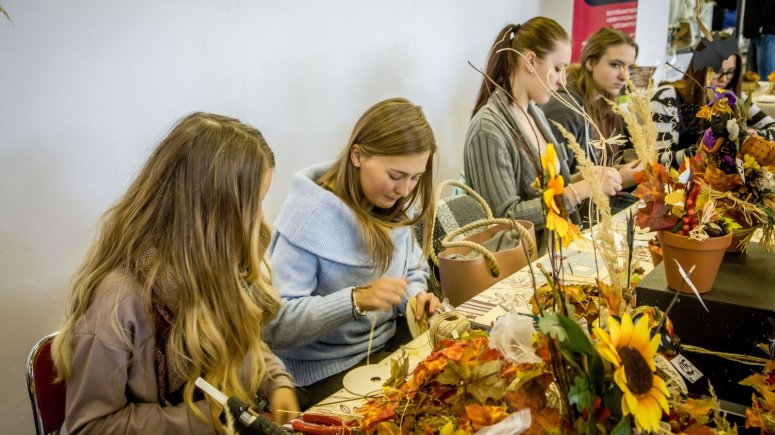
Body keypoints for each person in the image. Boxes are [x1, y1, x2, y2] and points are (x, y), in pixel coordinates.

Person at [51, 112, 299, 434]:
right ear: (213, 213)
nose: (261, 218)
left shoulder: (217, 267)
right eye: (253, 204)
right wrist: (203, 419)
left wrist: (275, 382)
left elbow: (242, 346)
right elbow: (91, 427)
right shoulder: (120, 299)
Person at [265, 98, 441, 409]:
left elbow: (413, 270)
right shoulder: (308, 217)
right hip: (325, 372)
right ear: (357, 155)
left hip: (390, 346)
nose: (405, 190)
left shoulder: (394, 202)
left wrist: (416, 298)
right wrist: (355, 300)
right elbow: (276, 324)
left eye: (415, 178)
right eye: (396, 175)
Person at [463, 18, 623, 246]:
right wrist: (579, 191)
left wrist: (588, 178)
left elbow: (549, 187)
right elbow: (505, 220)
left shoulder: (534, 113)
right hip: (521, 268)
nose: (562, 81)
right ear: (530, 61)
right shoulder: (488, 130)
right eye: (558, 68)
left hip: (554, 252)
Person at [541, 27, 644, 217]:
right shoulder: (566, 109)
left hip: (598, 213)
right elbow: (552, 185)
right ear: (590, 62)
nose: (624, 76)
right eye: (615, 65)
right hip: (572, 221)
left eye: (629, 68)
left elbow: (602, 165)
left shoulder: (607, 105)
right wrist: (620, 178)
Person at [651, 37, 775, 168]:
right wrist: (702, 151)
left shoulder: (733, 98)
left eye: (731, 72)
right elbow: (658, 159)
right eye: (718, 71)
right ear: (700, 68)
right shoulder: (667, 97)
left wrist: (751, 136)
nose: (724, 79)